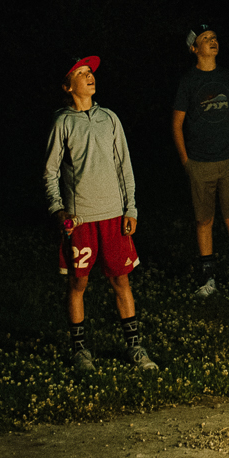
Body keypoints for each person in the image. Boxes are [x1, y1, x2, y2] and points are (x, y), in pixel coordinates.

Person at [44, 55, 157, 372]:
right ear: (69, 86)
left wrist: (130, 208)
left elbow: (125, 166)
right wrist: (58, 210)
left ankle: (134, 347)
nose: (89, 76)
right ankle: (79, 351)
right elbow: (50, 173)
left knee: (121, 281)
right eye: (81, 73)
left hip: (113, 216)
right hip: (80, 221)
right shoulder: (62, 123)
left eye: (90, 71)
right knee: (78, 285)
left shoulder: (109, 118)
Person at [171, 25, 229, 302]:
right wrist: (186, 161)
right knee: (204, 220)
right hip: (200, 162)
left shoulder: (228, 77)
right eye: (205, 39)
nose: (213, 42)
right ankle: (208, 280)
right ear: (194, 49)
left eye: (214, 38)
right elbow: (176, 124)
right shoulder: (188, 82)